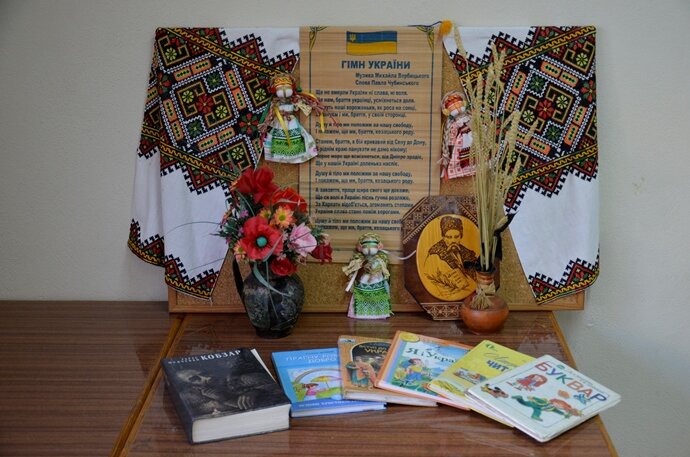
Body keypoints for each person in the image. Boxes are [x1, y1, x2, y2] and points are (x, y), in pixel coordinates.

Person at [259, 73, 330, 164]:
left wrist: (313, 106)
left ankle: (297, 153)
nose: (284, 91)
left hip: (291, 121)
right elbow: (271, 114)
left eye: (287, 88)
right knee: (277, 137)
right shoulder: (275, 103)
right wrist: (266, 123)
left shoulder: (294, 100)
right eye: (280, 89)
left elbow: (304, 103)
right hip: (280, 122)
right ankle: (279, 154)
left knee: (297, 135)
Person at [423, 216, 478, 300]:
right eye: (449, 237)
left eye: (456, 237)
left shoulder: (468, 254)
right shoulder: (434, 256)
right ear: (443, 237)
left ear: (461, 236)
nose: (453, 241)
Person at [342, 233, 391, 319]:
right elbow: (355, 271)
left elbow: (385, 271)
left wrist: (377, 269)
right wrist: (363, 267)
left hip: (377, 279)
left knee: (377, 295)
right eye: (366, 245)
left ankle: (379, 313)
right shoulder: (359, 260)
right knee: (361, 294)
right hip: (363, 280)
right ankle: (361, 313)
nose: (369, 248)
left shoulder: (381, 259)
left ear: (379, 246)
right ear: (360, 247)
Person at [439, 90, 474, 179]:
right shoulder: (455, 124)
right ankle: (463, 167)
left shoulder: (469, 118)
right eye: (453, 107)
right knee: (463, 153)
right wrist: (451, 144)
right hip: (462, 140)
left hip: (473, 136)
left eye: (459, 105)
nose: (457, 108)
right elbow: (452, 134)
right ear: (447, 111)